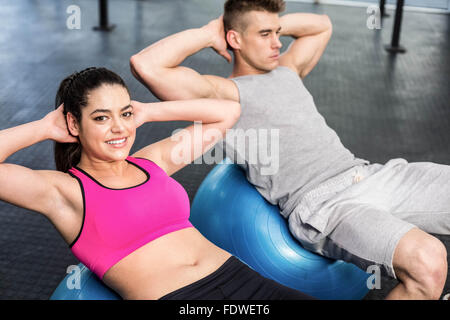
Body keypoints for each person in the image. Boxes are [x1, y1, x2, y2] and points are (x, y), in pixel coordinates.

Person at [129, 0, 449, 299]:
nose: (277, 42)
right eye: (265, 35)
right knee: (428, 261)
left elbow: (321, 25)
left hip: (369, 174)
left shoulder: (288, 69)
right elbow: (146, 65)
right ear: (235, 39)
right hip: (326, 206)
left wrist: (267, 21)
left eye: (278, 33)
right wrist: (208, 33)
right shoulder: (222, 95)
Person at [0, 67, 315, 300]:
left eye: (124, 113)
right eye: (101, 118)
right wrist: (43, 128)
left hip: (241, 279)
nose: (119, 128)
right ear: (73, 123)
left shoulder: (152, 162)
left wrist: (149, 111)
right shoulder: (63, 192)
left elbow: (227, 112)